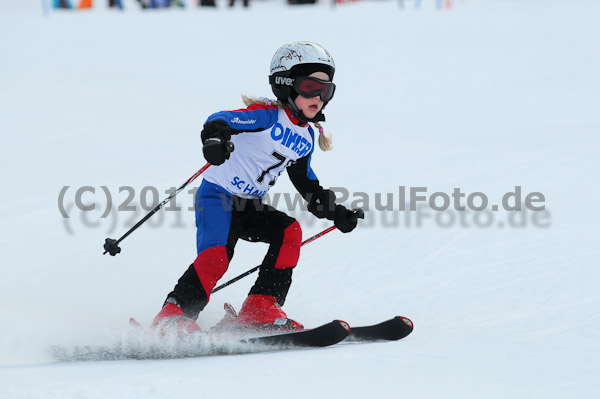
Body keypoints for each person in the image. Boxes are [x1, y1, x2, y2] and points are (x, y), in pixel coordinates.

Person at [151, 42, 360, 335]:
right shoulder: (266, 115)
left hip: (249, 205)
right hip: (218, 197)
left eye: (326, 91)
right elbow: (221, 119)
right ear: (285, 85)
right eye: (310, 86)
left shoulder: (306, 137)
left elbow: (306, 183)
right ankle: (173, 314)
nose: (318, 96)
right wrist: (215, 140)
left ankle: (260, 306)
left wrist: (336, 212)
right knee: (217, 257)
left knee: (289, 232)